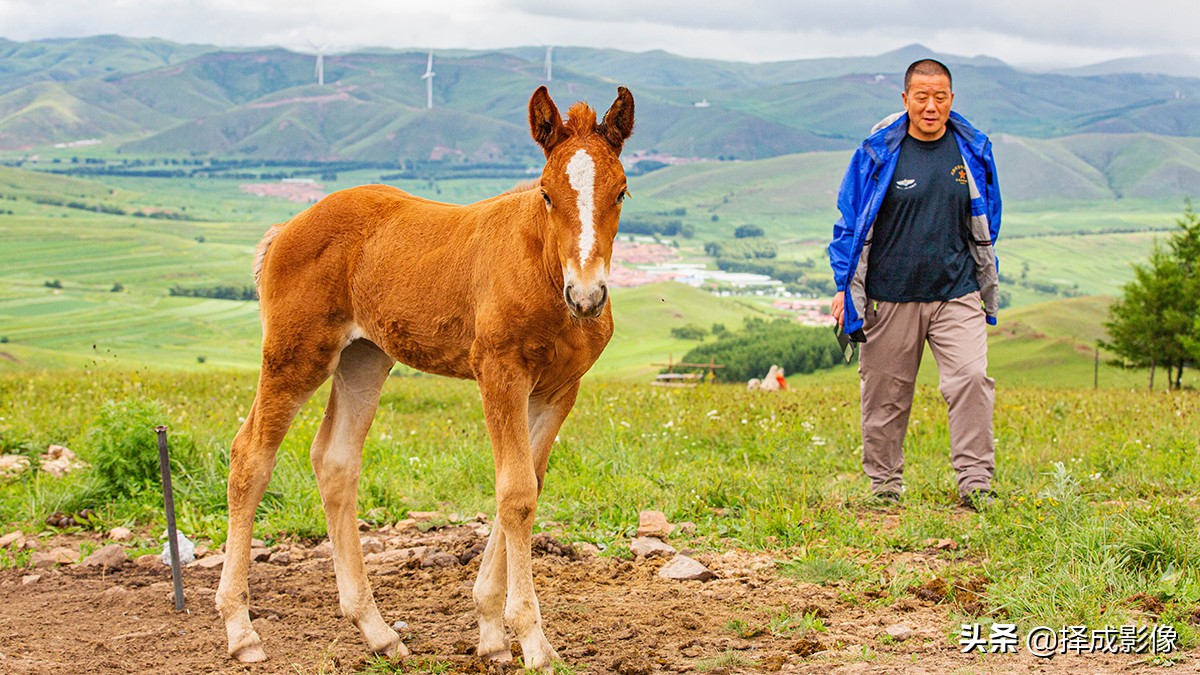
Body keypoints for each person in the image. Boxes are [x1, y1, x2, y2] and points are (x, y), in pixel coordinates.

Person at [828, 59, 1002, 510]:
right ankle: (885, 487)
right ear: (905, 100)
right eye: (921, 97)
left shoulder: (972, 151)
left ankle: (976, 484)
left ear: (951, 100)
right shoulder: (877, 153)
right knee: (885, 397)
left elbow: (987, 219)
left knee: (971, 379)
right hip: (889, 297)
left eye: (940, 96)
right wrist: (844, 286)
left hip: (956, 293)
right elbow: (849, 223)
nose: (931, 106)